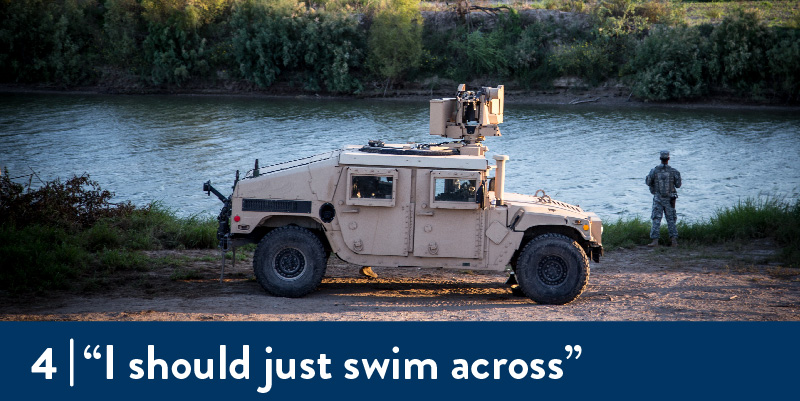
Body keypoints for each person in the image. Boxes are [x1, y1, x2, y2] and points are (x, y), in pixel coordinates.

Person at [645, 150, 682, 247]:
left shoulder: (654, 171)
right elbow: (678, 185)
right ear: (668, 158)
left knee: (656, 219)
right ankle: (674, 241)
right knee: (671, 219)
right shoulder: (674, 171)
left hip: (658, 199)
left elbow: (648, 182)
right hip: (670, 199)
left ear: (660, 158)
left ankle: (655, 241)